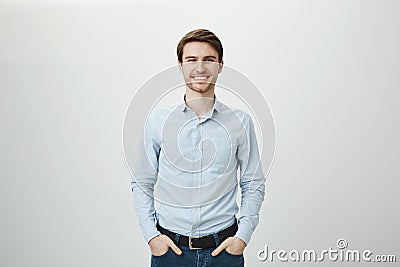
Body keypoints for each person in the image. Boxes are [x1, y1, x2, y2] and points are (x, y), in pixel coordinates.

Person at [131, 29, 266, 267]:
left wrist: (242, 237)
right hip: (171, 253)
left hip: (225, 252)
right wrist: (152, 236)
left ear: (221, 65)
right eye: (192, 60)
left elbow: (253, 183)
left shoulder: (240, 122)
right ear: (181, 65)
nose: (200, 68)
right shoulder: (158, 121)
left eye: (209, 60)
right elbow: (142, 181)